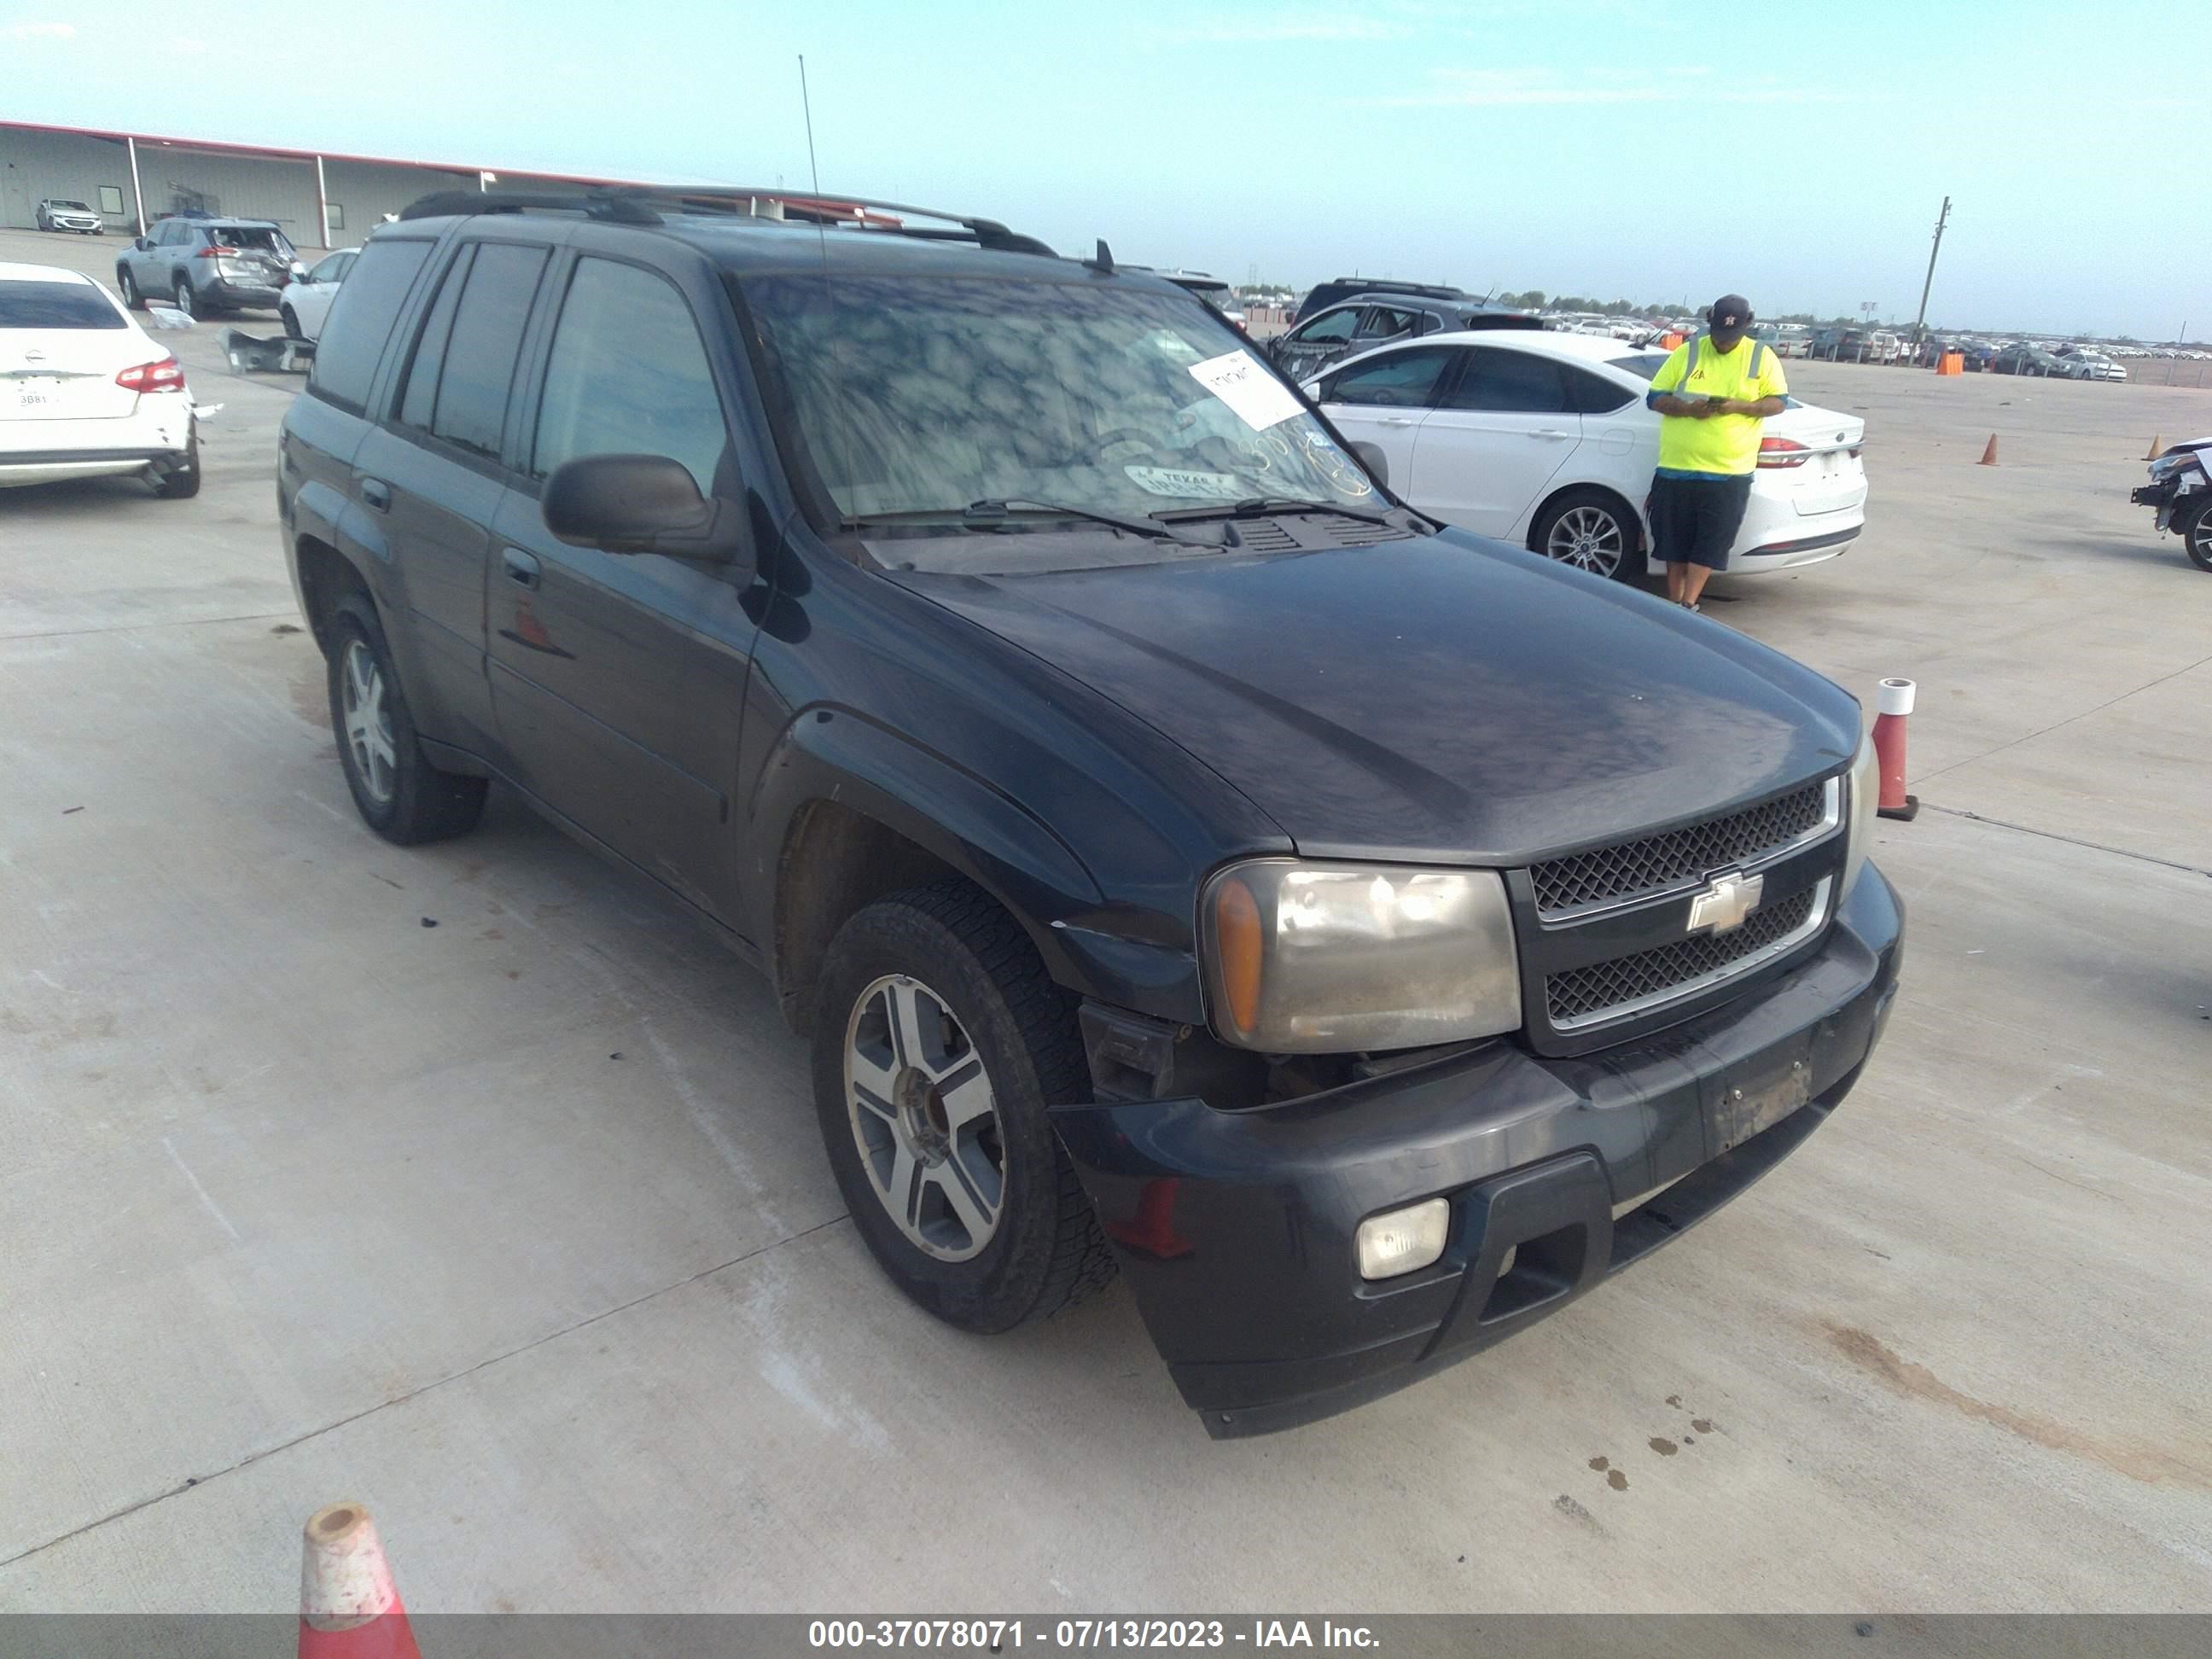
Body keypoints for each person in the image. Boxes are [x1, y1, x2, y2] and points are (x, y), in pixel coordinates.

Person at [1644, 295, 1789, 611]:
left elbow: (1778, 402)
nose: (1724, 344)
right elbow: (1654, 398)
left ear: (1747, 324)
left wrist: (1740, 406)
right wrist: (1687, 410)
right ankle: (1675, 603)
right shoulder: (1689, 351)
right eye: (1720, 336)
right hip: (1676, 468)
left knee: (1710, 544)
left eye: (1732, 337)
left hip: (1729, 472)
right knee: (1673, 543)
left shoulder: (1761, 357)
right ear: (1710, 320)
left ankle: (1689, 603)